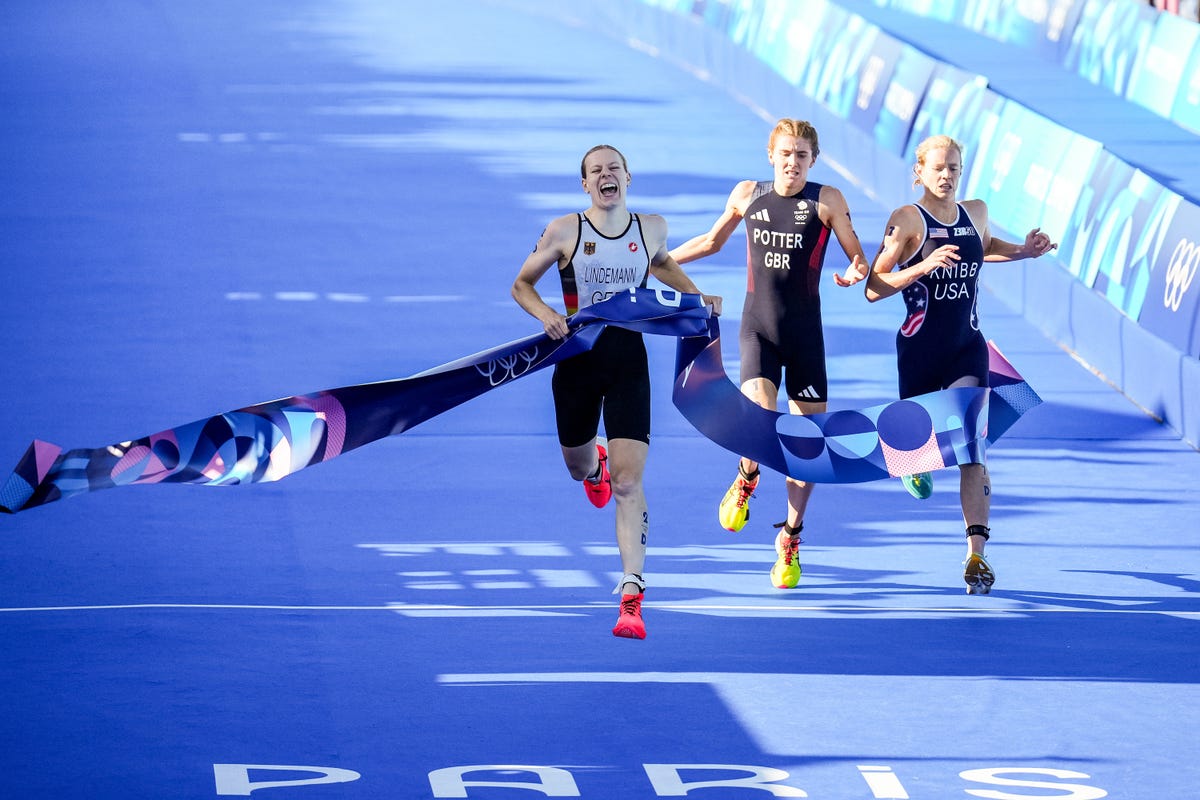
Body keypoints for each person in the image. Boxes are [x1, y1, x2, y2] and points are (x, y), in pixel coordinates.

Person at [512, 144, 722, 639]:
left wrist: (696, 298)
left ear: (629, 177)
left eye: (614, 169)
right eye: (595, 172)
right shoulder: (564, 231)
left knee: (630, 485)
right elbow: (522, 284)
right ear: (585, 185)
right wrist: (546, 315)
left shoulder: (650, 228)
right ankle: (595, 466)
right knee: (577, 466)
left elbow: (663, 262)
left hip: (628, 361)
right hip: (576, 363)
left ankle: (632, 595)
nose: (606, 176)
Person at [670, 118, 869, 590]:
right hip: (757, 329)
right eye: (786, 154)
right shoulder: (748, 194)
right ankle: (746, 476)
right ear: (771, 155)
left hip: (806, 339)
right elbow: (711, 241)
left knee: (806, 449)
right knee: (761, 413)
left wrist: (858, 268)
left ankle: (791, 537)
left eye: (802, 156)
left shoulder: (828, 200)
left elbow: (856, 253)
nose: (793, 163)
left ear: (813, 161)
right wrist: (659, 262)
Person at [864, 133, 1057, 594]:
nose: (947, 176)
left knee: (973, 450)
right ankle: (913, 461)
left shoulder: (977, 212)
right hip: (920, 354)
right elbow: (874, 285)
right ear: (920, 173)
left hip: (967, 350)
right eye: (938, 169)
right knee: (919, 446)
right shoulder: (907, 220)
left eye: (954, 168)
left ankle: (976, 557)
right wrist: (920, 268)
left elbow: (983, 246)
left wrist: (1024, 251)